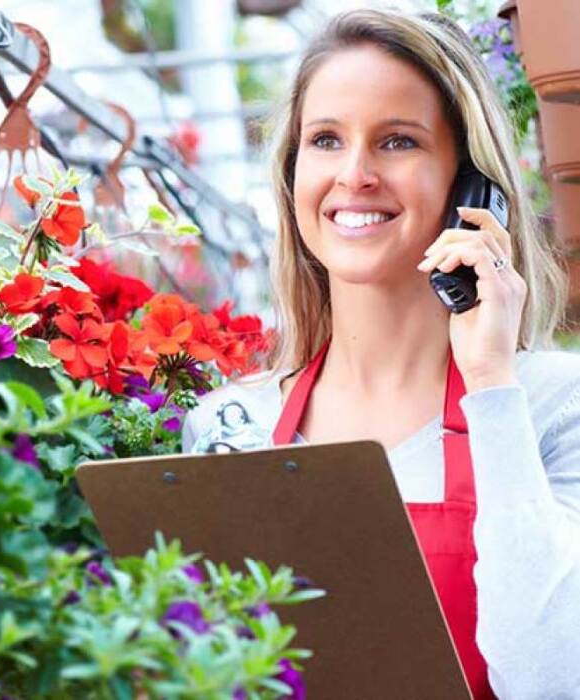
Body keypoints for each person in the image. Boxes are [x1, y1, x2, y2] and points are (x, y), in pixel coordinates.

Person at [180, 9, 580, 699]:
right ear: (291, 174)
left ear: (468, 189)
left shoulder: (553, 405)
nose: (355, 174)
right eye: (325, 140)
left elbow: (550, 679)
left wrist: (489, 384)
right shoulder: (227, 427)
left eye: (397, 141)